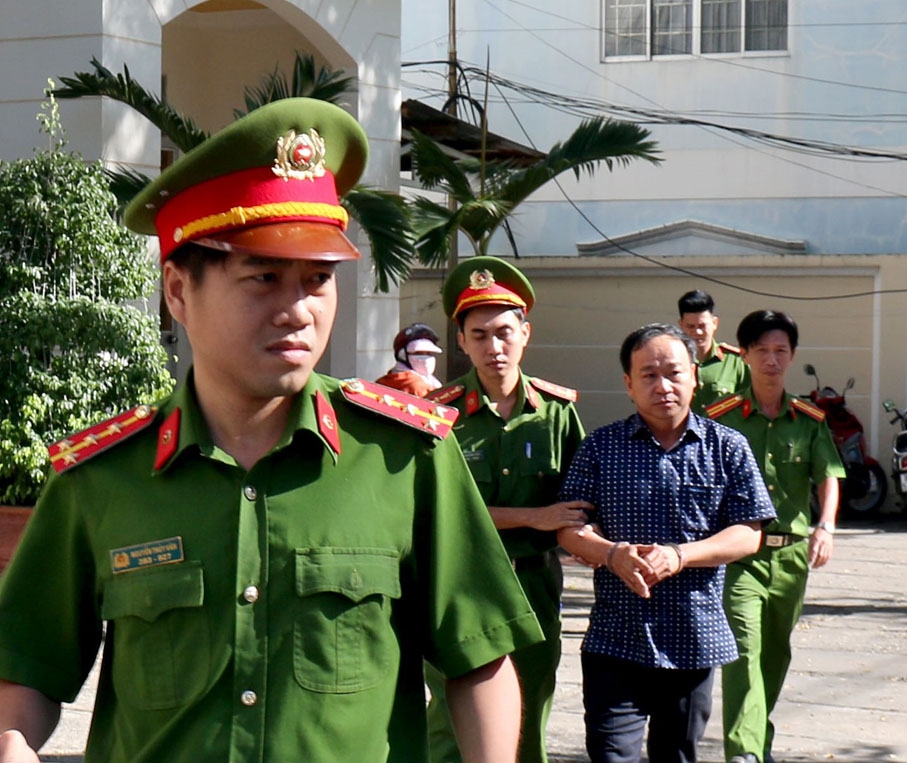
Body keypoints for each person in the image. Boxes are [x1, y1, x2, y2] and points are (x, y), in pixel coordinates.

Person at [0, 99, 544, 763]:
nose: (297, 311)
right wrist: (12, 740)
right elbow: (27, 667)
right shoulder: (102, 477)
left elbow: (479, 659)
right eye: (263, 278)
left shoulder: (405, 457)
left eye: (317, 280)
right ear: (177, 290)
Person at [557, 323, 776, 763]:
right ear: (628, 384)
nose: (663, 386)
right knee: (610, 754)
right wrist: (612, 554)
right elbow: (568, 527)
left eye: (674, 373)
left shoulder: (728, 447)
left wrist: (680, 555)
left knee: (676, 755)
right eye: (649, 375)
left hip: (693, 639)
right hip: (615, 638)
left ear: (694, 376)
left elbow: (749, 533)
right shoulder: (600, 447)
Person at [424, 256, 589, 763]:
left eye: (503, 332)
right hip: (462, 584)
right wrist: (533, 517)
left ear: (525, 334)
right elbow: (439, 510)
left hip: (533, 584)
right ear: (461, 341)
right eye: (479, 335)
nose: (493, 348)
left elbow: (579, 504)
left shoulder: (557, 413)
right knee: (453, 721)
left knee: (530, 712)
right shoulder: (439, 415)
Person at [706, 310, 845, 763]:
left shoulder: (808, 418)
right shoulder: (721, 419)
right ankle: (743, 753)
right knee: (743, 651)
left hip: (790, 559)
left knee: (774, 657)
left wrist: (825, 526)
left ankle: (756, 744)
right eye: (761, 350)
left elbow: (828, 474)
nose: (771, 360)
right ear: (743, 355)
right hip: (738, 557)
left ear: (792, 356)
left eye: (780, 351)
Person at [677, 290, 749, 416]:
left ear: (715, 323)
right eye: (691, 326)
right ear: (681, 325)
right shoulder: (673, 362)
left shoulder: (736, 362)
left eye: (702, 326)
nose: (698, 332)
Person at [375, 322, 444, 396]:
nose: (426, 359)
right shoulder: (419, 387)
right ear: (403, 355)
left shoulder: (382, 382)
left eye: (429, 353)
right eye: (418, 353)